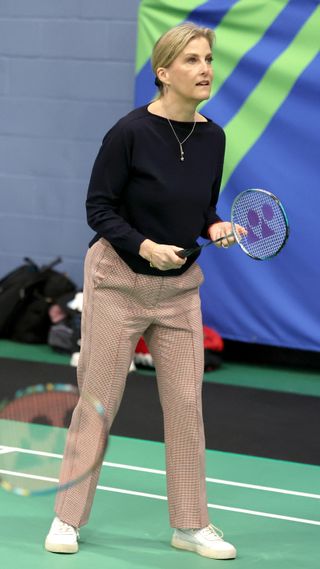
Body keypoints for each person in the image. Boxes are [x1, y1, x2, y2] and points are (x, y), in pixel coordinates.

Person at [45, 22, 246, 560]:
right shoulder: (129, 132)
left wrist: (215, 226)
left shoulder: (214, 137)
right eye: (191, 61)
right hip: (118, 282)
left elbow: (200, 206)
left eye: (208, 58)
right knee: (98, 403)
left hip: (180, 291)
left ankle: (191, 524)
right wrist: (144, 246)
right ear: (164, 73)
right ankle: (67, 518)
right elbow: (99, 208)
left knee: (186, 407)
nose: (205, 69)